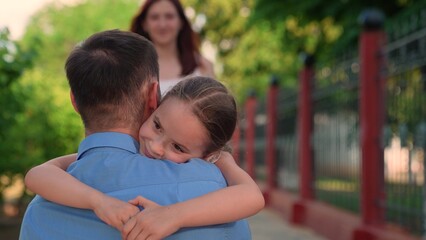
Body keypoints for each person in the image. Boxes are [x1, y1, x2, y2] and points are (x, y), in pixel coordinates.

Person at [19, 30, 263, 240]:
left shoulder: (42, 208)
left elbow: (253, 196)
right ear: (153, 98)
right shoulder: (214, 187)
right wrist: (98, 202)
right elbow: (37, 174)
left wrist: (173, 216)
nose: (157, 148)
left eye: (178, 147)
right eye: (157, 126)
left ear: (74, 100)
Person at [130, 0, 215, 95]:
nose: (162, 25)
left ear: (181, 22)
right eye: (154, 17)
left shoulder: (202, 66)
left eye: (169, 16)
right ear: (144, 24)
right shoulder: (132, 68)